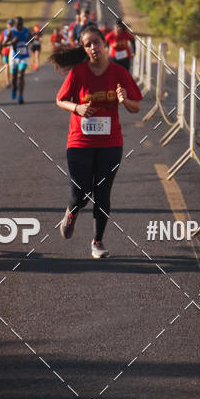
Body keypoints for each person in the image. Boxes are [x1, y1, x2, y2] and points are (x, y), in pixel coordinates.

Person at [51, 23, 142, 259]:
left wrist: (124, 101)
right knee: (81, 192)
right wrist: (77, 108)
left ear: (105, 43)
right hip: (80, 142)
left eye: (96, 42)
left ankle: (97, 242)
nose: (93, 47)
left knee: (102, 193)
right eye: (88, 44)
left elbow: (136, 107)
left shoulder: (119, 73)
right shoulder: (78, 73)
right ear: (84, 49)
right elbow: (60, 99)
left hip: (110, 143)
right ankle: (72, 212)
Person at [5, 16, 30, 104]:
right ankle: (14, 88)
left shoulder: (26, 30)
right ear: (14, 25)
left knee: (21, 75)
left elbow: (31, 39)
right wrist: (12, 42)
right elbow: (4, 43)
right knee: (14, 77)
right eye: (18, 25)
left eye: (21, 24)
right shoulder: (11, 32)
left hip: (24, 56)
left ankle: (21, 96)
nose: (19, 26)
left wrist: (34, 37)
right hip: (14, 57)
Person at [0, 19, 14, 87]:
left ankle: (13, 80)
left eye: (11, 25)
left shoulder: (15, 32)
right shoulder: (4, 32)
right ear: (7, 25)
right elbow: (1, 42)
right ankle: (7, 81)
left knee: (12, 66)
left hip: (13, 51)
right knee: (6, 66)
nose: (10, 26)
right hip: (5, 51)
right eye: (9, 24)